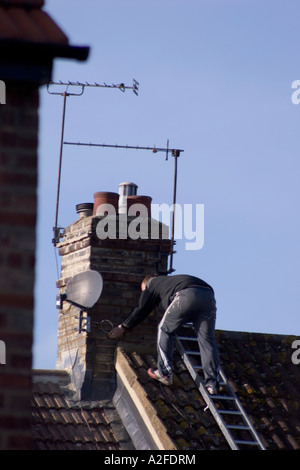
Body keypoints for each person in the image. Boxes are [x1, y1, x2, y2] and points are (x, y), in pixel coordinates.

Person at [108, 273, 220, 395]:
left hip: (187, 295)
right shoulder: (169, 283)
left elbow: (142, 309)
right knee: (207, 340)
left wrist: (123, 327)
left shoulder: (151, 284)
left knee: (164, 328)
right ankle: (212, 382)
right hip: (208, 296)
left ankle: (164, 372)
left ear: (146, 285)